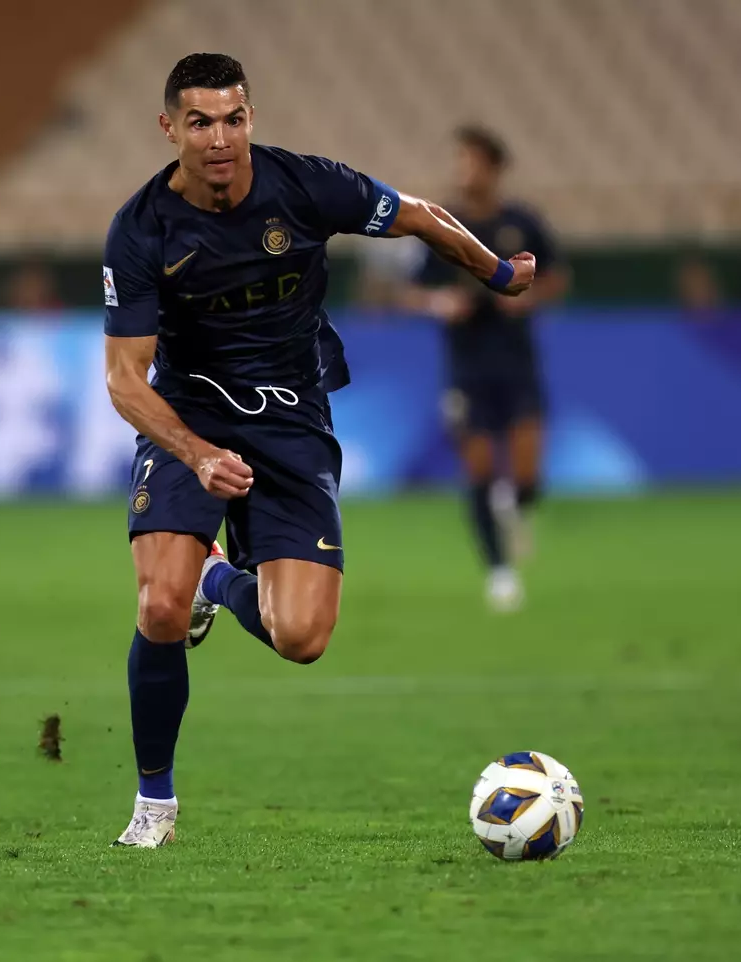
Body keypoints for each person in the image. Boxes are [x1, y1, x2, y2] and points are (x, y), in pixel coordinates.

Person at [102, 54, 535, 847]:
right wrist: (197, 455)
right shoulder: (140, 230)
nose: (220, 137)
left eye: (234, 118)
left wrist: (498, 271)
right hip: (189, 416)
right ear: (171, 130)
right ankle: (154, 803)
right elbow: (126, 381)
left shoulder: (303, 186)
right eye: (201, 122)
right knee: (158, 605)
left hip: (293, 421)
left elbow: (419, 214)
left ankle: (219, 580)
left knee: (301, 637)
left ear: (251, 119)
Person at [403, 126, 566, 612]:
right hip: (467, 364)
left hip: (516, 360)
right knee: (476, 467)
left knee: (526, 469)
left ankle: (514, 505)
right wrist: (440, 302)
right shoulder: (442, 222)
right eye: (459, 160)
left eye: (470, 161)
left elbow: (558, 276)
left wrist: (531, 298)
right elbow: (410, 291)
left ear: (494, 167)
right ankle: (499, 572)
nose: (462, 170)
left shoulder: (522, 221)